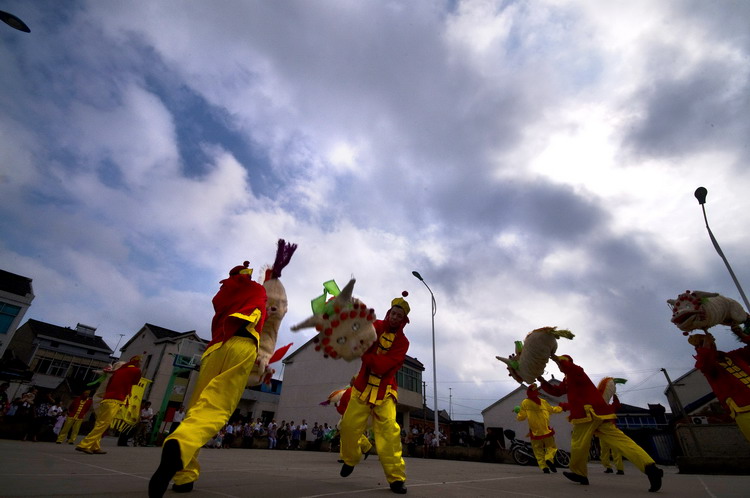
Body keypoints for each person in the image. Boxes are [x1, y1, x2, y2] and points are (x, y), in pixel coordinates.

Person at [149, 260, 268, 497]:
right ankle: (180, 444)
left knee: (196, 410)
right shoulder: (256, 290)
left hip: (214, 350)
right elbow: (263, 307)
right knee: (217, 406)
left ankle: (185, 477)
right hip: (242, 345)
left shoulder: (223, 293)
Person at [538, 355, 663, 492]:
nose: (559, 366)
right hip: (600, 414)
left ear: (567, 363)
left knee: (578, 444)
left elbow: (571, 368)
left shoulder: (577, 371)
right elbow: (557, 392)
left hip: (587, 414)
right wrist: (542, 380)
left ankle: (579, 473)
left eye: (561, 364)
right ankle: (650, 468)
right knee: (623, 442)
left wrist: (556, 358)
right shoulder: (568, 378)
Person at [339, 292, 410, 495]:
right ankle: (350, 459)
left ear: (404, 320)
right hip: (362, 387)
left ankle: (396, 478)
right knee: (348, 426)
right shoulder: (375, 326)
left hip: (385, 391)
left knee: (389, 433)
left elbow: (386, 365)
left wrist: (366, 356)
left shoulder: (403, 343)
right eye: (393, 313)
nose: (395, 318)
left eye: (399, 316)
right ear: (389, 313)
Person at [689, 332, 750, 443]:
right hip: (743, 409)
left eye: (710, 342)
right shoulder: (705, 365)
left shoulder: (734, 355)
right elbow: (705, 360)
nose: (710, 344)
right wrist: (706, 343)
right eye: (702, 344)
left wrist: (741, 334)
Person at [76, 355, 142, 455]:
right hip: (115, 400)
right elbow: (135, 382)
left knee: (100, 423)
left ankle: (95, 446)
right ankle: (85, 444)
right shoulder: (136, 371)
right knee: (103, 424)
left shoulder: (117, 372)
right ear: (137, 363)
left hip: (106, 399)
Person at [514, 383, 563, 473]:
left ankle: (544, 467)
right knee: (551, 447)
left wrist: (517, 413)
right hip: (546, 431)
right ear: (536, 392)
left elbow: (522, 417)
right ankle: (549, 458)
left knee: (538, 450)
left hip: (535, 432)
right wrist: (561, 408)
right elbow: (552, 409)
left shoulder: (525, 402)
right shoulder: (543, 402)